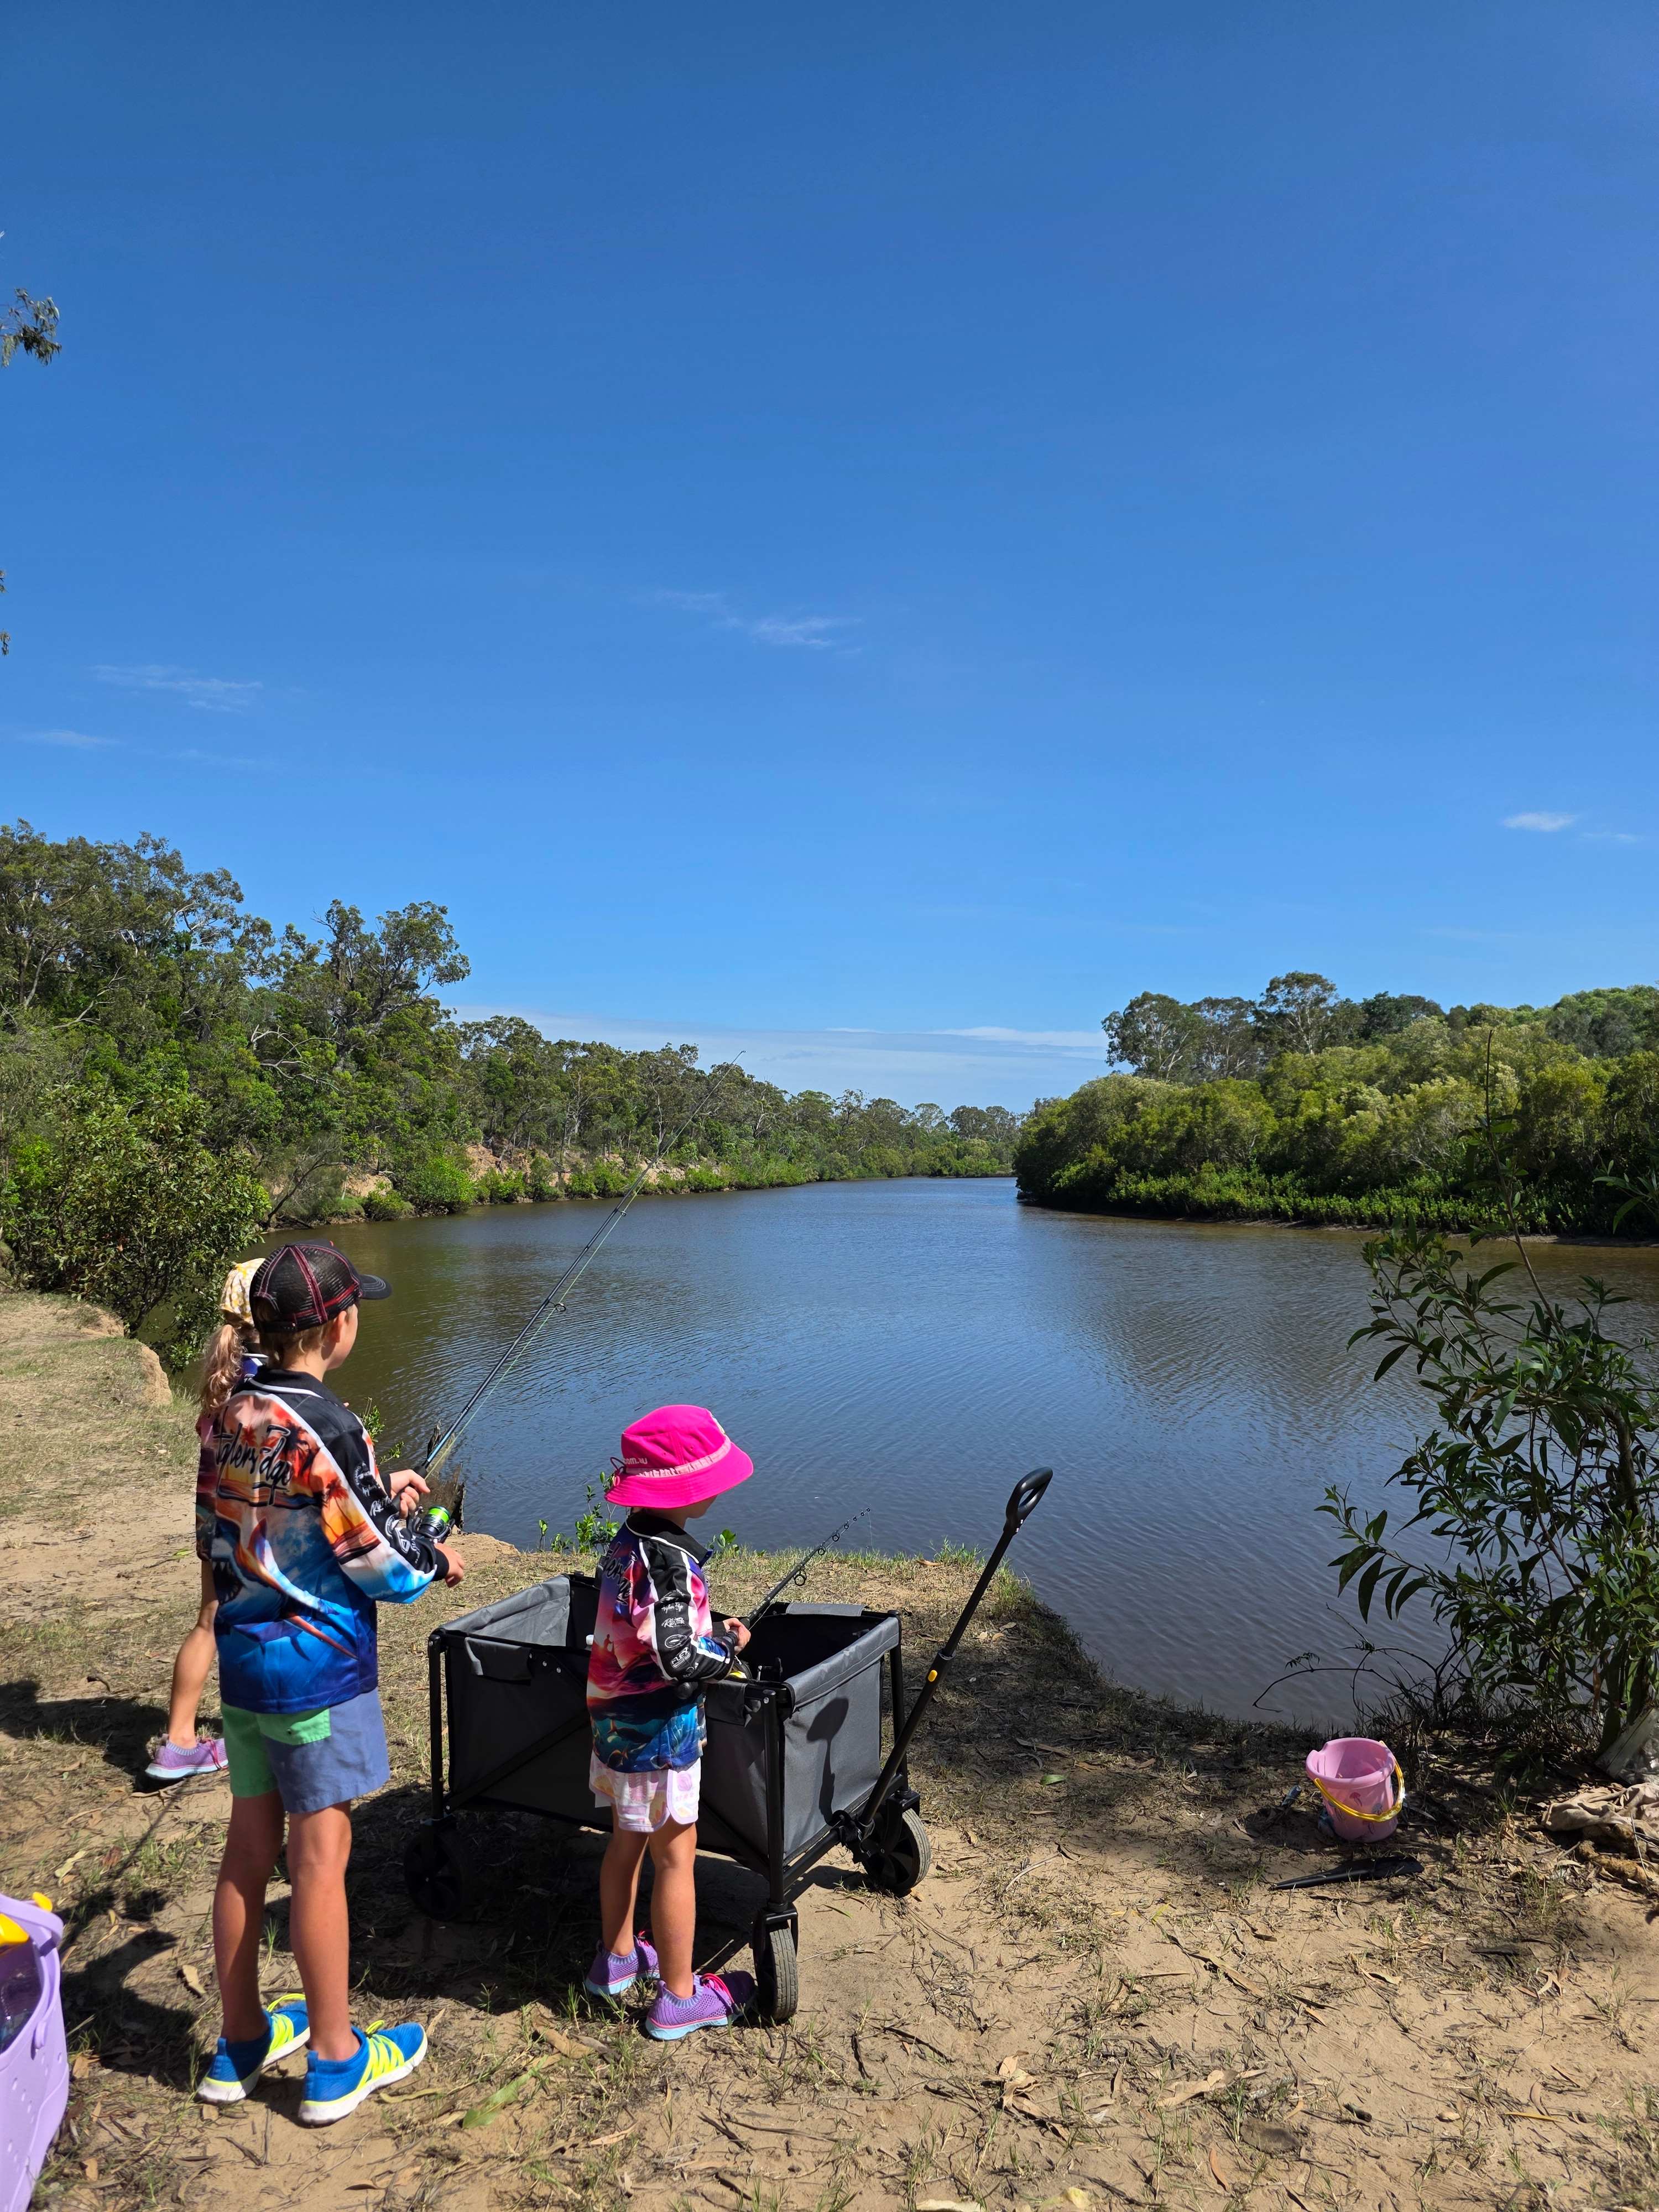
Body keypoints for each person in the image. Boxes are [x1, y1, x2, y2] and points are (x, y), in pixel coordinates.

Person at [194, 1241, 465, 2124]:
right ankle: (338, 2061)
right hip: (318, 1674)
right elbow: (381, 1563)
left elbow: (238, 1527)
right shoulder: (331, 1423)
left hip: (243, 1666)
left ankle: (238, 2045)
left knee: (246, 1854)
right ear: (340, 1326)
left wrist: (382, 1492)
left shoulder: (233, 1410)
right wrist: (434, 1557)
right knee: (318, 1864)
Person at [584, 1402, 755, 2041]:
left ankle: (618, 1960)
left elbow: (647, 1628)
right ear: (687, 1489)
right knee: (677, 1856)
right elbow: (680, 1653)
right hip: (659, 1731)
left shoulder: (626, 1544)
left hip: (615, 1726)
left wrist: (710, 1631)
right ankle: (679, 1998)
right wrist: (730, 1649)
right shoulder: (672, 1562)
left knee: (625, 1839)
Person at [145, 1261, 263, 1786]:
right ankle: (259, 1727)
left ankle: (179, 1741)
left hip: (211, 1521)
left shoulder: (225, 1374)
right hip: (248, 1524)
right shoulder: (265, 1375)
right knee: (261, 1619)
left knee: (209, 1622)